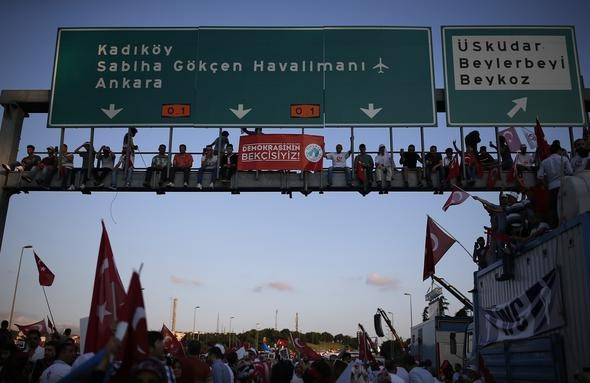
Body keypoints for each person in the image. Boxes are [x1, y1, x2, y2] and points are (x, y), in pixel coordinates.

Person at [537, 141, 573, 228]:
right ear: (559, 150)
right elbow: (570, 172)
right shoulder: (564, 159)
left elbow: (540, 176)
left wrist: (545, 184)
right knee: (565, 206)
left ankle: (556, 227)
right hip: (563, 186)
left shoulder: (544, 162)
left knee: (554, 209)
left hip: (551, 188)